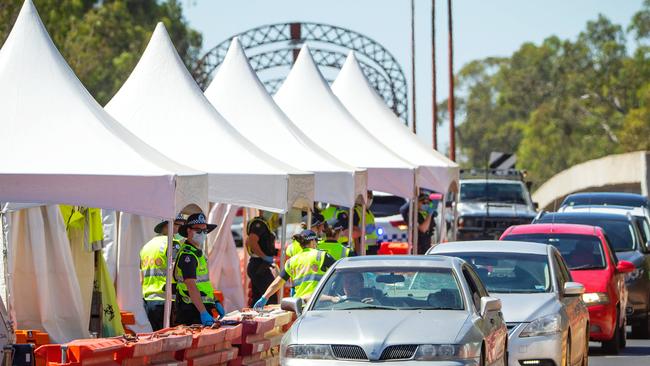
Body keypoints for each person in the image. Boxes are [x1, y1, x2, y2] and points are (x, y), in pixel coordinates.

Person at [253, 230, 336, 310]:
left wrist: (264, 297)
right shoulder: (321, 255)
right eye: (316, 241)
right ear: (313, 241)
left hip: (299, 305)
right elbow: (339, 271)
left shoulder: (292, 261)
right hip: (318, 302)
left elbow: (278, 282)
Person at [174, 213, 225, 326]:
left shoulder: (197, 253)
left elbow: (204, 284)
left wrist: (215, 300)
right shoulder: (188, 256)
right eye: (198, 230)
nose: (202, 234)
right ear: (188, 231)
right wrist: (203, 312)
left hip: (200, 307)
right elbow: (191, 285)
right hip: (191, 310)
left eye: (204, 230)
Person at [139, 214, 185, 331]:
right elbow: (177, 270)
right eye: (179, 225)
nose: (181, 229)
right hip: (167, 300)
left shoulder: (146, 246)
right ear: (168, 225)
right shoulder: (173, 243)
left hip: (148, 299)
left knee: (155, 335)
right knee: (169, 337)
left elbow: (141, 278)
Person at [246, 211, 278, 306]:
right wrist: (264, 256)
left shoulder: (264, 223)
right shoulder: (259, 224)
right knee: (270, 296)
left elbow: (248, 242)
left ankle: (255, 319)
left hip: (259, 265)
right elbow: (251, 241)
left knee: (258, 297)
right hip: (258, 265)